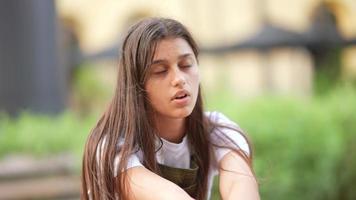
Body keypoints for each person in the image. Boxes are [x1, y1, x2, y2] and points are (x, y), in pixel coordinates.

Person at [81, 17, 260, 200]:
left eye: (186, 65)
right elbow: (168, 196)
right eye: (160, 71)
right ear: (137, 84)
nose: (179, 78)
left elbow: (239, 183)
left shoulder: (217, 129)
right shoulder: (113, 145)